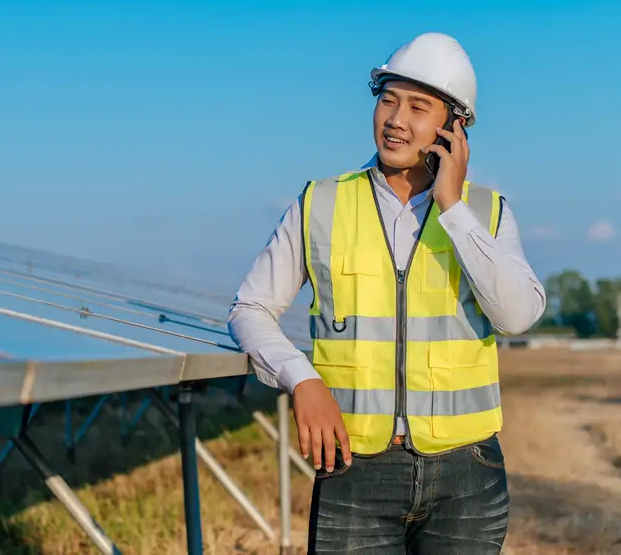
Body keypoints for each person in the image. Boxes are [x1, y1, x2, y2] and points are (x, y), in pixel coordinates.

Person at [227, 32, 546, 553]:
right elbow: (250, 309)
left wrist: (452, 208)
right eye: (388, 99)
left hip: (468, 476)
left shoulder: (486, 212)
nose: (396, 119)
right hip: (354, 470)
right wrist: (301, 380)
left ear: (454, 127)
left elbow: (517, 315)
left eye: (419, 107)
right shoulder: (320, 204)